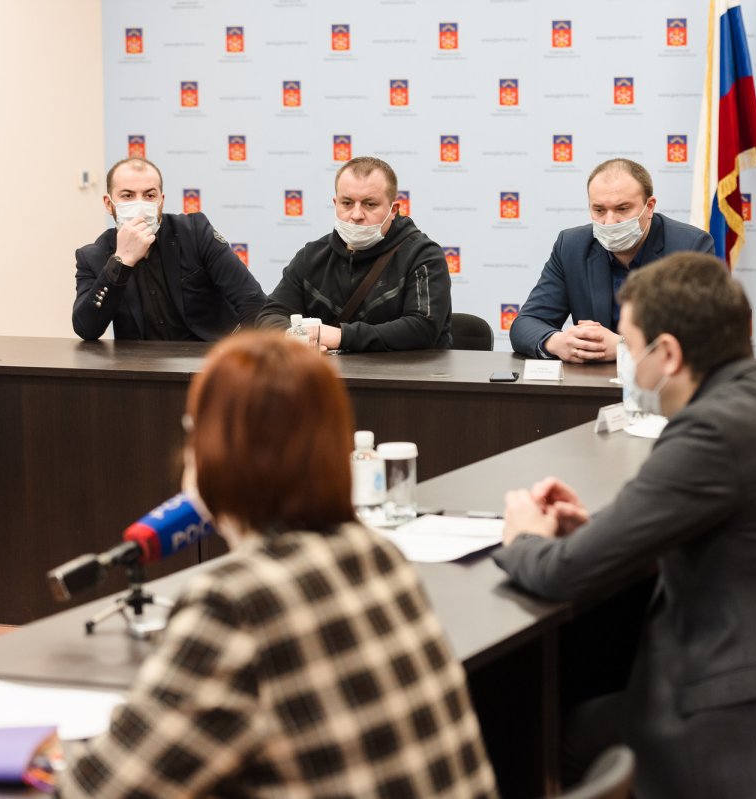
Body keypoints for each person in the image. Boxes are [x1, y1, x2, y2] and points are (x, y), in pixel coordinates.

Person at [493, 253, 756, 798]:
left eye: (630, 348)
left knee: (527, 735)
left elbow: (562, 574)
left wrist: (523, 537)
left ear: (669, 354)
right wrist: (591, 534)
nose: (627, 364)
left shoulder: (714, 432)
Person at [62, 332, 498, 798]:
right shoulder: (378, 554)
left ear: (215, 450)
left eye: (193, 431)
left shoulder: (233, 602)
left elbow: (100, 789)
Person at [509, 158, 714, 362]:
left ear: (650, 207)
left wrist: (625, 347)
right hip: (591, 380)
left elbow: (704, 336)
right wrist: (557, 341)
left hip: (662, 378)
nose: (609, 222)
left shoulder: (690, 247)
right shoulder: (572, 246)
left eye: (622, 208)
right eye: (599, 210)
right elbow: (526, 324)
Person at [256, 157, 452, 351]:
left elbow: (423, 328)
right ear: (336, 203)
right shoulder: (312, 256)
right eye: (347, 203)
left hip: (407, 372)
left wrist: (341, 337)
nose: (356, 215)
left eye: (370, 204)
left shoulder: (423, 255)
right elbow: (270, 316)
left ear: (393, 210)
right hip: (327, 371)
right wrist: (298, 339)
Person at [73, 157, 267, 341]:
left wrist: (241, 355)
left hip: (210, 357)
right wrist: (120, 262)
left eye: (149, 195)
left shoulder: (195, 233)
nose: (140, 205)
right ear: (109, 204)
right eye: (128, 196)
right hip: (141, 363)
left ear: (161, 201)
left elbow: (253, 301)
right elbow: (86, 328)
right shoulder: (93, 257)